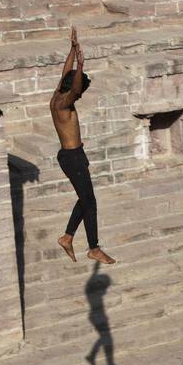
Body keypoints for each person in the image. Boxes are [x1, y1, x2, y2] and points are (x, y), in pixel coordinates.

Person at [50, 27, 115, 265]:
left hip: (73, 155)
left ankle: (67, 237)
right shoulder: (64, 103)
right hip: (72, 157)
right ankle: (94, 248)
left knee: (85, 197)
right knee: (90, 200)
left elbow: (65, 74)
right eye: (79, 93)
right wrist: (82, 64)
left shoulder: (56, 94)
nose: (79, 96)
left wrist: (72, 50)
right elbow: (75, 87)